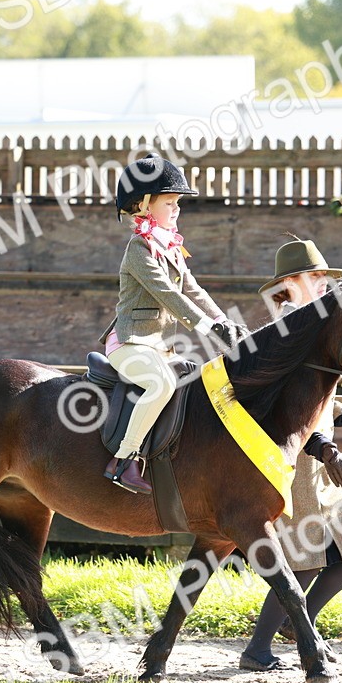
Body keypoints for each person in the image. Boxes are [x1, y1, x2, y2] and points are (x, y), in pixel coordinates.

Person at [240, 237, 342, 671]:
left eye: (326, 277)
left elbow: (319, 401)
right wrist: (325, 447)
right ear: (290, 284)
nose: (323, 284)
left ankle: (301, 621)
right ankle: (257, 649)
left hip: (321, 460)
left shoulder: (318, 325)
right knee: (306, 560)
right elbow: (287, 408)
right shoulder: (286, 330)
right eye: (314, 278)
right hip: (298, 461)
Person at [100, 153, 248, 494]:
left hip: (159, 345)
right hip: (130, 343)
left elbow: (192, 289)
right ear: (143, 205)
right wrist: (210, 329)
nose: (177, 209)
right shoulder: (139, 247)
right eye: (169, 202)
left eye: (178, 202)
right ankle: (124, 461)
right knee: (162, 384)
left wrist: (225, 321)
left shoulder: (169, 246)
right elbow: (168, 294)